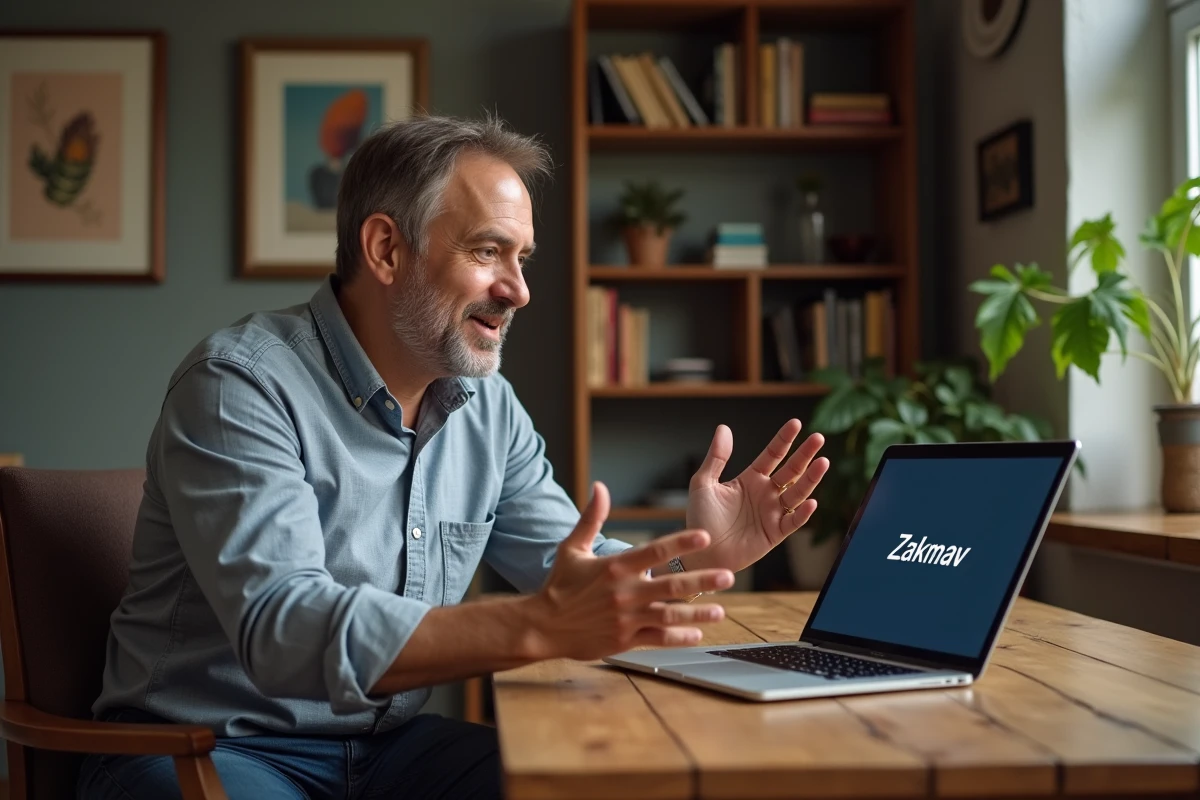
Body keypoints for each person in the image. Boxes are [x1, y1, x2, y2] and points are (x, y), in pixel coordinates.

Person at [77, 115, 829, 800]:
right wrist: (535, 627)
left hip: (387, 751)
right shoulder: (239, 385)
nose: (519, 291)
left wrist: (696, 560)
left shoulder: (488, 407)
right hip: (208, 749)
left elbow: (567, 570)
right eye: (488, 251)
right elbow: (285, 629)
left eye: (522, 258)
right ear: (385, 249)